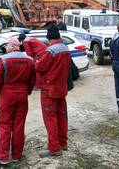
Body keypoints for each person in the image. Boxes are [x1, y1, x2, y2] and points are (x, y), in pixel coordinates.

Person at [0, 37, 36, 165]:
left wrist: (1, 91)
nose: (5, 47)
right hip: (22, 95)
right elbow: (33, 79)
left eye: (7, 45)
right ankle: (17, 155)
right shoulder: (29, 60)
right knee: (19, 125)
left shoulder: (3, 59)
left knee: (5, 125)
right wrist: (27, 91)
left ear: (11, 46)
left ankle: (3, 157)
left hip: (7, 94)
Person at [35, 25, 71, 157]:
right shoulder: (65, 49)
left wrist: (37, 58)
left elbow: (39, 67)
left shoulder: (50, 51)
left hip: (49, 89)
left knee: (50, 118)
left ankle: (54, 148)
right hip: (61, 88)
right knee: (61, 116)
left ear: (48, 37)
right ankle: (63, 143)